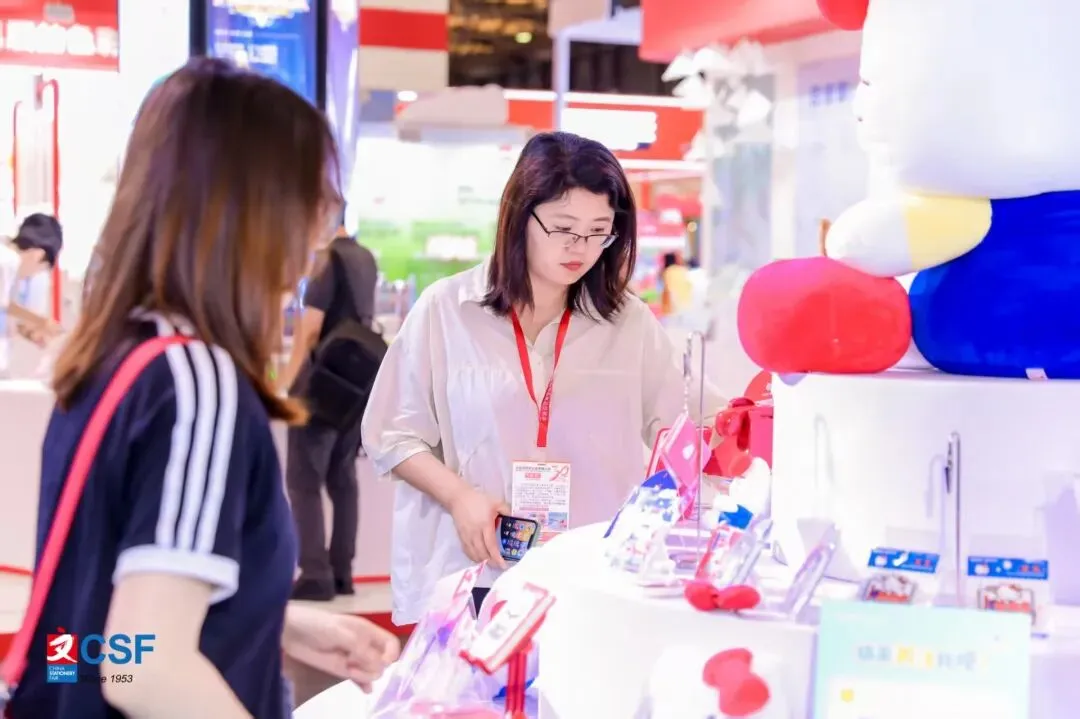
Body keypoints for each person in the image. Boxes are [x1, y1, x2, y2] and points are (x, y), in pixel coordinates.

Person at [7, 59, 399, 718]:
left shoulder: (116, 359)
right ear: (254, 208)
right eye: (312, 201)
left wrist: (275, 622)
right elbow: (145, 667)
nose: (316, 237)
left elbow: (99, 639)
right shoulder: (197, 383)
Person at [361, 131, 726, 625]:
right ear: (520, 216)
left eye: (599, 231)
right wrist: (460, 496)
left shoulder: (628, 323)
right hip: (477, 571)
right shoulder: (447, 310)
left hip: (591, 570)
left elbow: (691, 419)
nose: (581, 247)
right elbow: (392, 434)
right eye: (564, 228)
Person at [279, 213, 379, 601]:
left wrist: (286, 385)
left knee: (303, 480)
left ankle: (315, 574)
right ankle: (342, 573)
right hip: (356, 384)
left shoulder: (325, 261)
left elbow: (309, 330)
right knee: (342, 478)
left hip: (321, 384)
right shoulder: (365, 258)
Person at [0, 213, 63, 374]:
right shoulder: (8, 260)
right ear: (38, 255)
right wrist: (42, 321)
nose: (30, 275)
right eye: (40, 269)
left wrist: (31, 332)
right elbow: (4, 304)